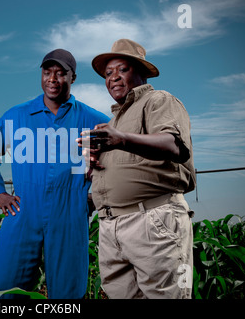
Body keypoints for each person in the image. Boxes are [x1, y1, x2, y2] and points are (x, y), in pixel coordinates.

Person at [0, 49, 110, 299]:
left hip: (70, 213)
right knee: (4, 290)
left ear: (73, 78)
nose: (53, 79)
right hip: (23, 210)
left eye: (61, 73)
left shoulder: (93, 119)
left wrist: (96, 195)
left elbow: (122, 158)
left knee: (68, 294)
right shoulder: (17, 116)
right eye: (47, 72)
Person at [77, 39, 196, 298]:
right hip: (110, 226)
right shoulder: (114, 120)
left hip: (151, 220)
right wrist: (93, 168)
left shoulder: (159, 100)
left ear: (141, 71)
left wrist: (121, 139)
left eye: (122, 70)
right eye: (108, 74)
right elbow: (124, 167)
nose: (114, 78)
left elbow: (173, 145)